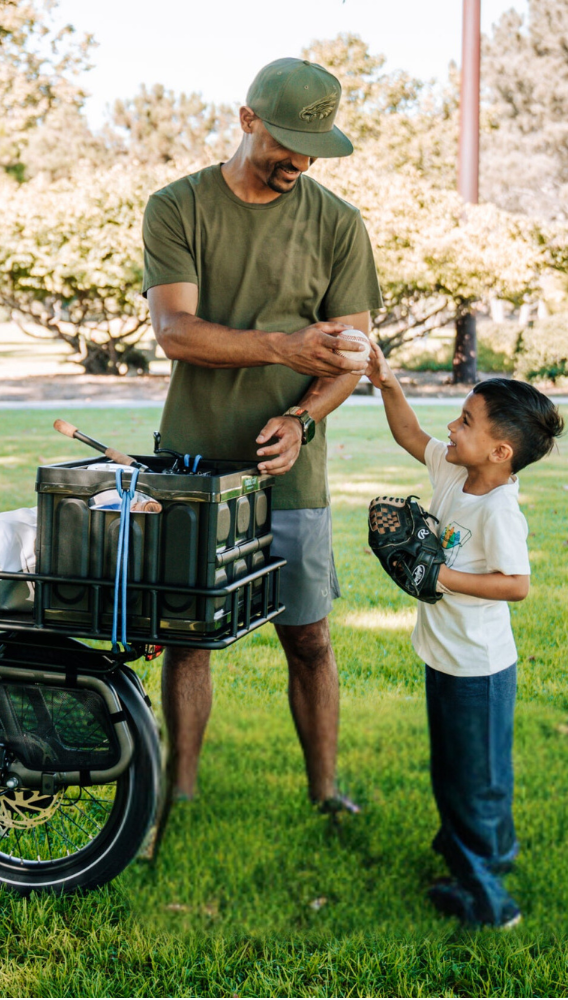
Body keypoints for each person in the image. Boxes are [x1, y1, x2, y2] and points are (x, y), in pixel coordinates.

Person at [142, 57, 383, 835]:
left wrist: (304, 419)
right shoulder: (177, 206)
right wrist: (283, 348)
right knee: (190, 636)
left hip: (292, 467)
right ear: (246, 119)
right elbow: (175, 333)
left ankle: (325, 790)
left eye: (313, 151)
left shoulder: (339, 223)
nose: (300, 165)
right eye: (287, 145)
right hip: (194, 462)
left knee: (309, 636)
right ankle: (179, 793)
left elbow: (350, 357)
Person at [368, 350, 563, 928]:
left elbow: (518, 586)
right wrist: (387, 382)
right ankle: (488, 861)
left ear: (501, 452)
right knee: (459, 773)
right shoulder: (454, 471)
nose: (451, 428)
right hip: (447, 660)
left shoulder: (500, 510)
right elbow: (410, 433)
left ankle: (491, 905)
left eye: (465, 421)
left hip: (478, 672)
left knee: (472, 784)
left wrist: (439, 574)